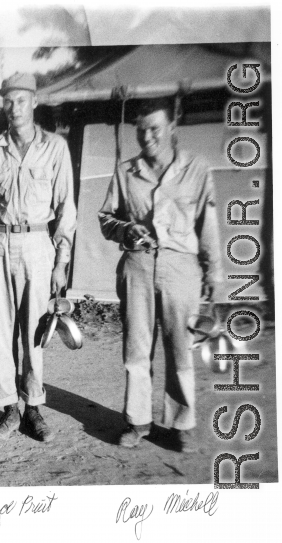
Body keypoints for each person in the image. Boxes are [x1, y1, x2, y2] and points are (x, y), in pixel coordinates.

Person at [98, 97, 223, 453]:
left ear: (172, 128)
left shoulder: (197, 168)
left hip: (181, 269)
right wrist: (126, 231)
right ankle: (137, 422)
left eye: (154, 128)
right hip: (137, 267)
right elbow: (106, 218)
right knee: (136, 349)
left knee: (180, 349)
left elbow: (208, 223)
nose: (147, 136)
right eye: (140, 130)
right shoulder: (126, 171)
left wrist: (214, 271)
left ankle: (180, 422)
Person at [0, 72, 77, 442]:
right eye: (8, 101)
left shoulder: (55, 147)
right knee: (0, 332)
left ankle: (34, 408)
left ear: (34, 102)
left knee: (34, 333)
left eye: (21, 100)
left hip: (38, 246)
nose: (14, 108)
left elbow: (66, 211)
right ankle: (9, 409)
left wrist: (61, 262)